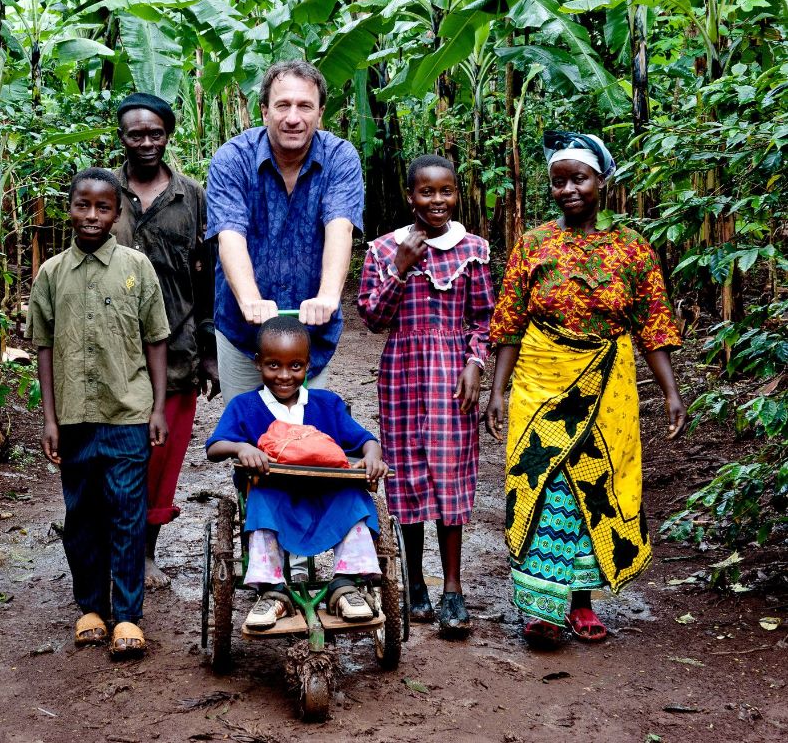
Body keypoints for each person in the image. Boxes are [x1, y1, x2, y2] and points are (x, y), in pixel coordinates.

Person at [485, 131, 688, 646]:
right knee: (542, 485)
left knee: (594, 487)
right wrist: (498, 391)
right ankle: (539, 609)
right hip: (540, 378)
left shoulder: (631, 248)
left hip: (608, 382)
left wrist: (671, 392)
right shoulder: (533, 245)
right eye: (558, 182)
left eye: (579, 178)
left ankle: (581, 603)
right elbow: (509, 322)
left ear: (602, 180)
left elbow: (653, 326)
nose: (568, 189)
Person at [28, 167, 170, 659]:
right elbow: (44, 347)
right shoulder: (51, 274)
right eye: (82, 205)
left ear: (117, 212)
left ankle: (128, 616)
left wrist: (156, 407)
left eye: (103, 207)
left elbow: (156, 339)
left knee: (128, 515)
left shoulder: (137, 268)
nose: (91, 216)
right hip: (73, 418)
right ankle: (90, 607)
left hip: (127, 414)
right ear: (68, 208)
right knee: (81, 514)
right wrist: (50, 418)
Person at [357, 154, 494, 637]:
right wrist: (400, 267)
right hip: (402, 372)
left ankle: (452, 590)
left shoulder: (473, 249)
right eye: (426, 193)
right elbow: (372, 318)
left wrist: (476, 364)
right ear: (409, 196)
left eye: (446, 192)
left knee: (451, 473)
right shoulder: (383, 249)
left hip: (453, 373)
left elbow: (484, 320)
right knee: (409, 474)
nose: (437, 201)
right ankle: (415, 583)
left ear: (456, 193)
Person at [205, 316, 388, 630]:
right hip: (276, 501)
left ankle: (345, 585)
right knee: (259, 496)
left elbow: (366, 440)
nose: (284, 376)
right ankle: (272, 592)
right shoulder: (244, 406)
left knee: (355, 498)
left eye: (296, 366)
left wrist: (372, 457)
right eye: (273, 366)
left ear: (308, 365)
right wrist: (241, 448)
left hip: (325, 499)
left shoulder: (327, 404)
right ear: (258, 362)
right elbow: (214, 447)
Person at [206, 60, 364, 401]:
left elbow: (340, 227)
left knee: (303, 440)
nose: (293, 117)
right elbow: (229, 235)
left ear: (320, 114)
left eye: (305, 106)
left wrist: (328, 296)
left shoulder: (340, 158)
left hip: (311, 332)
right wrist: (249, 300)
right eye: (282, 105)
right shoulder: (232, 159)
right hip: (242, 331)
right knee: (246, 438)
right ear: (264, 111)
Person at [112, 92, 220, 589]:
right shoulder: (103, 192)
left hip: (177, 350)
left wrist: (210, 352)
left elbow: (206, 277)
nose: (147, 142)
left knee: (161, 458)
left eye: (155, 132)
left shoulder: (191, 196)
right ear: (122, 137)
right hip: (112, 350)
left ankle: (145, 554)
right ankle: (113, 551)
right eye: (137, 133)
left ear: (168, 134)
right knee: (116, 454)